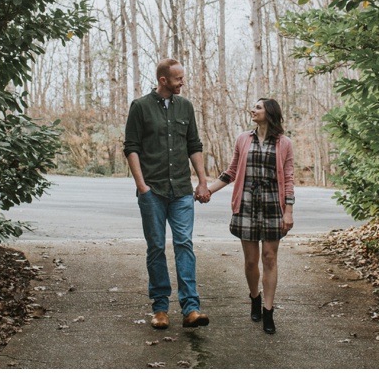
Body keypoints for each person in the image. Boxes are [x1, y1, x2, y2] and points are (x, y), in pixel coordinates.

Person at [124, 58, 211, 330]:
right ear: (164, 80)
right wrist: (142, 186)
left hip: (182, 191)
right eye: (178, 79)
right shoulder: (140, 107)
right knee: (157, 247)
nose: (182, 82)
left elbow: (194, 145)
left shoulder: (185, 106)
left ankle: (191, 309)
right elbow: (131, 147)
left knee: (184, 244)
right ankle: (160, 308)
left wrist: (202, 182)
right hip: (153, 191)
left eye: (182, 78)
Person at [205, 98, 294, 334]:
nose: (252, 110)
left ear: (269, 112)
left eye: (258, 107)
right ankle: (255, 297)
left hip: (273, 205)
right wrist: (208, 189)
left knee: (270, 258)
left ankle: (268, 310)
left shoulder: (285, 143)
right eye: (254, 107)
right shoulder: (243, 138)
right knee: (251, 261)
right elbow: (232, 171)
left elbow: (289, 177)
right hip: (246, 204)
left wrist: (289, 210)